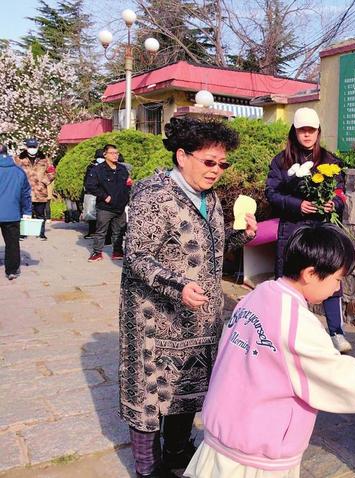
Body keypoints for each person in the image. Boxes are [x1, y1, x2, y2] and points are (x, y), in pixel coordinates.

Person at [183, 223, 355, 478]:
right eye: (337, 279)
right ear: (311, 273)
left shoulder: (257, 295)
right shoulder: (296, 323)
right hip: (256, 458)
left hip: (222, 440)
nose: (337, 288)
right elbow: (340, 380)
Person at [119, 117, 257, 478]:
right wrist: (177, 286)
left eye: (222, 164)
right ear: (182, 156)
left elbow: (208, 250)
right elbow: (136, 256)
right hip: (154, 318)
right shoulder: (154, 195)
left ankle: (178, 452)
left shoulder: (210, 198)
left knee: (187, 387)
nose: (216, 171)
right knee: (150, 394)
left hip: (199, 318)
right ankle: (148, 469)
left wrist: (243, 238)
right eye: (209, 162)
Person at [265, 107, 351, 353]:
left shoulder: (330, 161)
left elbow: (340, 193)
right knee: (291, 280)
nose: (307, 135)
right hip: (293, 229)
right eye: (302, 130)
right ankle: (287, 332)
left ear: (318, 132)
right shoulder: (281, 161)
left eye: (311, 130)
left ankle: (336, 332)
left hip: (323, 228)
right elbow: (272, 193)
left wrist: (331, 203)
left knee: (330, 276)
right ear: (295, 131)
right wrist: (297, 205)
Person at [85, 144, 132, 261]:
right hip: (105, 206)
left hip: (120, 206)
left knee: (119, 231)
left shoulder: (122, 169)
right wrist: (104, 196)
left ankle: (117, 251)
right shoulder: (98, 170)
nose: (115, 155)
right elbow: (90, 185)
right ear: (105, 155)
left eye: (117, 153)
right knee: (101, 231)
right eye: (112, 153)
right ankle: (97, 252)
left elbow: (127, 184)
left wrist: (127, 196)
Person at [0, 144, 32, 280]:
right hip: (12, 213)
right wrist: (27, 211)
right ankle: (12, 270)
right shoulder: (19, 172)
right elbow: (26, 194)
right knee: (12, 243)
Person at [15, 138, 54, 240]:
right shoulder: (19, 159)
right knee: (23, 214)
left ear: (37, 147)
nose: (32, 149)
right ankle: (22, 233)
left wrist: (43, 182)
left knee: (41, 214)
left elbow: (52, 172)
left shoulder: (45, 159)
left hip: (40, 192)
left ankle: (41, 233)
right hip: (24, 192)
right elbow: (14, 172)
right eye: (30, 147)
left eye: (34, 147)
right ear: (26, 147)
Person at [83, 148, 105, 239]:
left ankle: (103, 234)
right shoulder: (91, 166)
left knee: (103, 214)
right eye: (99, 157)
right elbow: (87, 180)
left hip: (104, 193)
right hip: (92, 193)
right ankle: (92, 232)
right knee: (91, 213)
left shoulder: (108, 166)